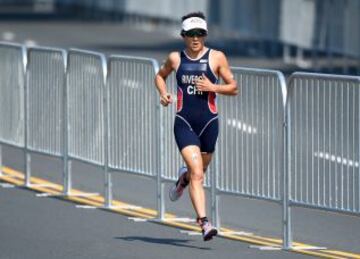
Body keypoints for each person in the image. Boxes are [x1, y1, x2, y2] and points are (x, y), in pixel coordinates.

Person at [154, 11, 238, 241]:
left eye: (199, 34)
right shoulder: (175, 58)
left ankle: (184, 179)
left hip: (209, 123)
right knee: (199, 175)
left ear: (205, 35)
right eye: (190, 34)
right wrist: (163, 94)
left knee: (199, 172)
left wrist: (213, 87)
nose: (195, 38)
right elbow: (160, 76)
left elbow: (234, 87)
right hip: (184, 123)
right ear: (183, 35)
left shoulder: (217, 58)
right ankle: (204, 222)